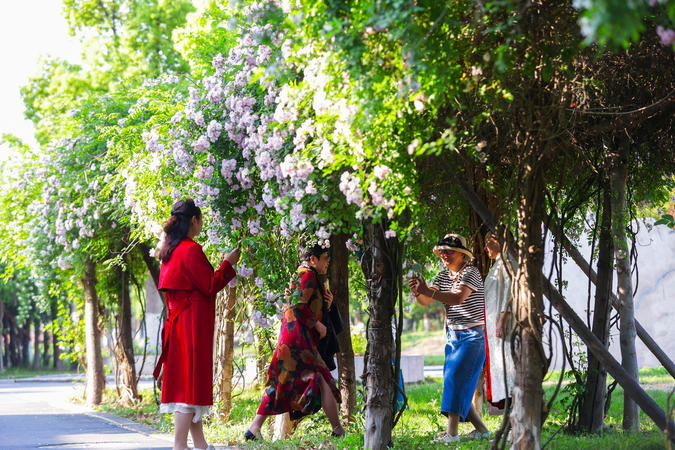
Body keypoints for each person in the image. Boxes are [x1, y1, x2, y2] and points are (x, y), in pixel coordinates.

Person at [153, 198, 241, 450]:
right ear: (193, 220)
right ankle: (179, 445)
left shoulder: (169, 251)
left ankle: (200, 444)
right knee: (187, 387)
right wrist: (228, 263)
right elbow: (210, 285)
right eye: (200, 220)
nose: (201, 224)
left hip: (179, 324)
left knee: (188, 384)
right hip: (191, 326)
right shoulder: (190, 250)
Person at [245, 243, 345, 441]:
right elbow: (297, 305)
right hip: (299, 340)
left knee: (279, 382)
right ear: (313, 260)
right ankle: (338, 429)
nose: (328, 263)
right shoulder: (306, 275)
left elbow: (303, 303)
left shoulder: (304, 275)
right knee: (324, 379)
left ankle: (254, 428)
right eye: (325, 258)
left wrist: (327, 304)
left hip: (291, 338)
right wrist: (317, 325)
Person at [409, 233, 490, 443]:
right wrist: (419, 292)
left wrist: (428, 291)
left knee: (455, 380)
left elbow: (458, 298)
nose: (444, 255)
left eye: (449, 251)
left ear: (462, 254)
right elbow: (426, 301)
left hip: (473, 336)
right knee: (455, 383)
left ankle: (452, 434)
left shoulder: (470, 272)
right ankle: (482, 430)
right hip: (454, 335)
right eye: (442, 251)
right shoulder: (444, 275)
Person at [483, 231, 515, 413]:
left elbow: (512, 287)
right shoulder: (498, 264)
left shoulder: (508, 261)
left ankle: (515, 421)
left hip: (504, 325)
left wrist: (504, 315)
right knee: (502, 369)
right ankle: (510, 421)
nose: (485, 246)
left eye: (489, 241)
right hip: (495, 325)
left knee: (509, 369)